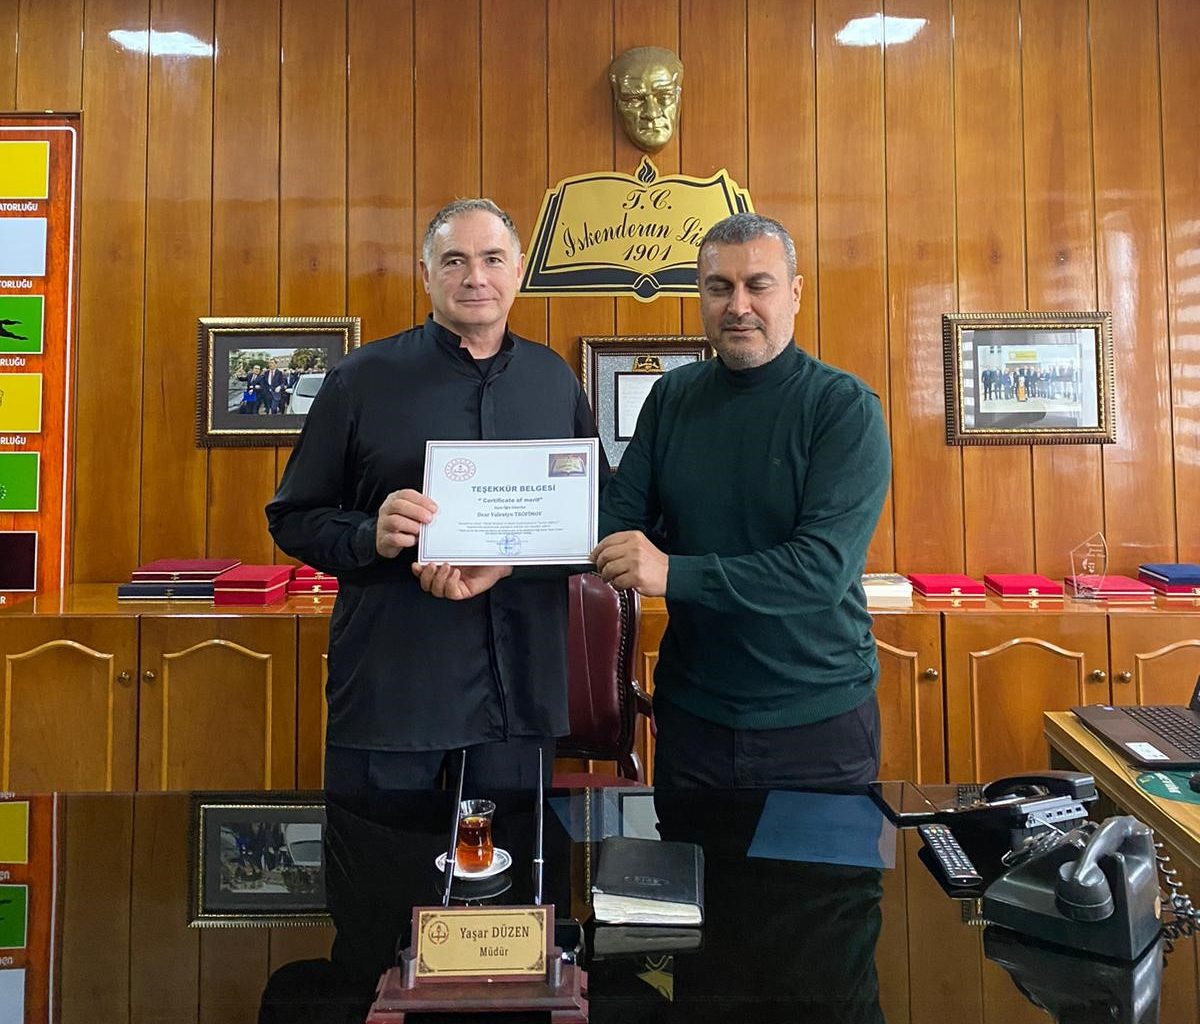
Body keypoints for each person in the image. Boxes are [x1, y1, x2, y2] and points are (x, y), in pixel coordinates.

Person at [265, 198, 603, 797]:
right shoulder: (360, 380)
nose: (476, 277)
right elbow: (292, 517)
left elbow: (592, 520)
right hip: (394, 694)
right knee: (379, 855)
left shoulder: (554, 380)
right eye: (454, 261)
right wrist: (370, 534)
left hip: (521, 700)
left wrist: (508, 561)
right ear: (425, 275)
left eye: (492, 259)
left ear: (518, 270)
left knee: (511, 858)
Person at [591, 212, 892, 789]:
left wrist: (673, 572)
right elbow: (616, 521)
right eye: (719, 287)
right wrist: (498, 550)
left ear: (795, 293)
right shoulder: (671, 397)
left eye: (758, 285)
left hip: (816, 725)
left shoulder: (843, 408)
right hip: (692, 721)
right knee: (689, 854)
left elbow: (820, 571)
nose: (738, 306)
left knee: (821, 859)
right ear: (700, 296)